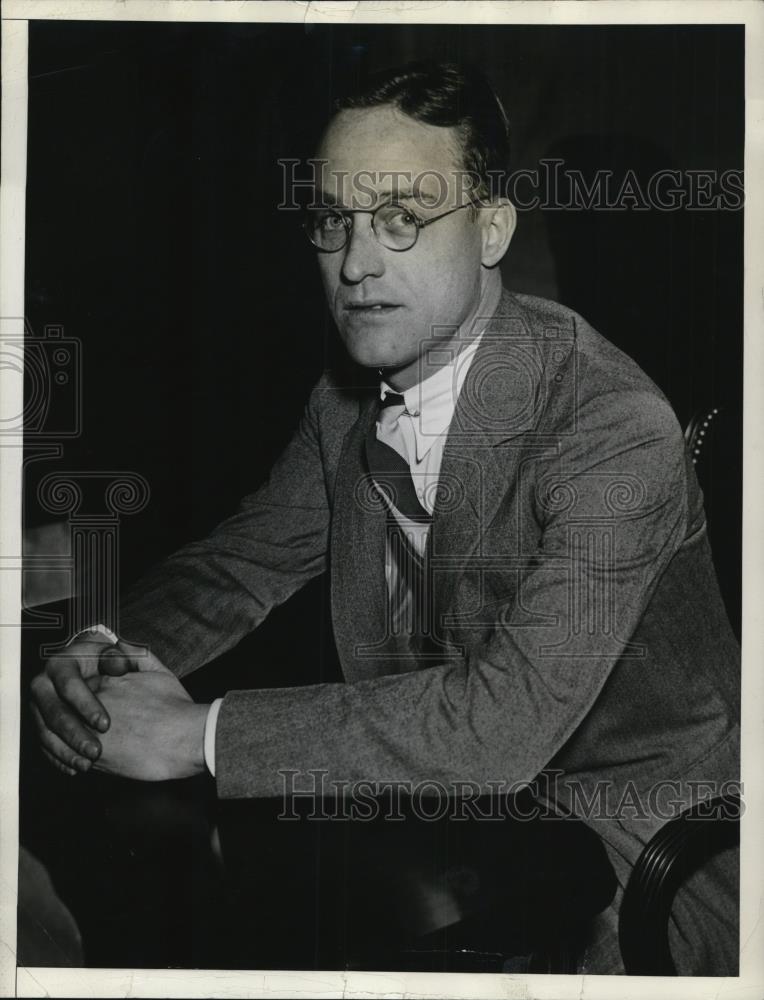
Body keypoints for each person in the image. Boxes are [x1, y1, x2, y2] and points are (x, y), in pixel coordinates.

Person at [29, 61, 740, 974]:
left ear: (492, 230)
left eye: (404, 216)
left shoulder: (609, 426)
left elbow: (498, 730)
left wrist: (195, 734)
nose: (356, 264)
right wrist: (99, 646)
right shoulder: (343, 402)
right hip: (467, 830)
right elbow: (236, 566)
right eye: (334, 219)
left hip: (654, 861)